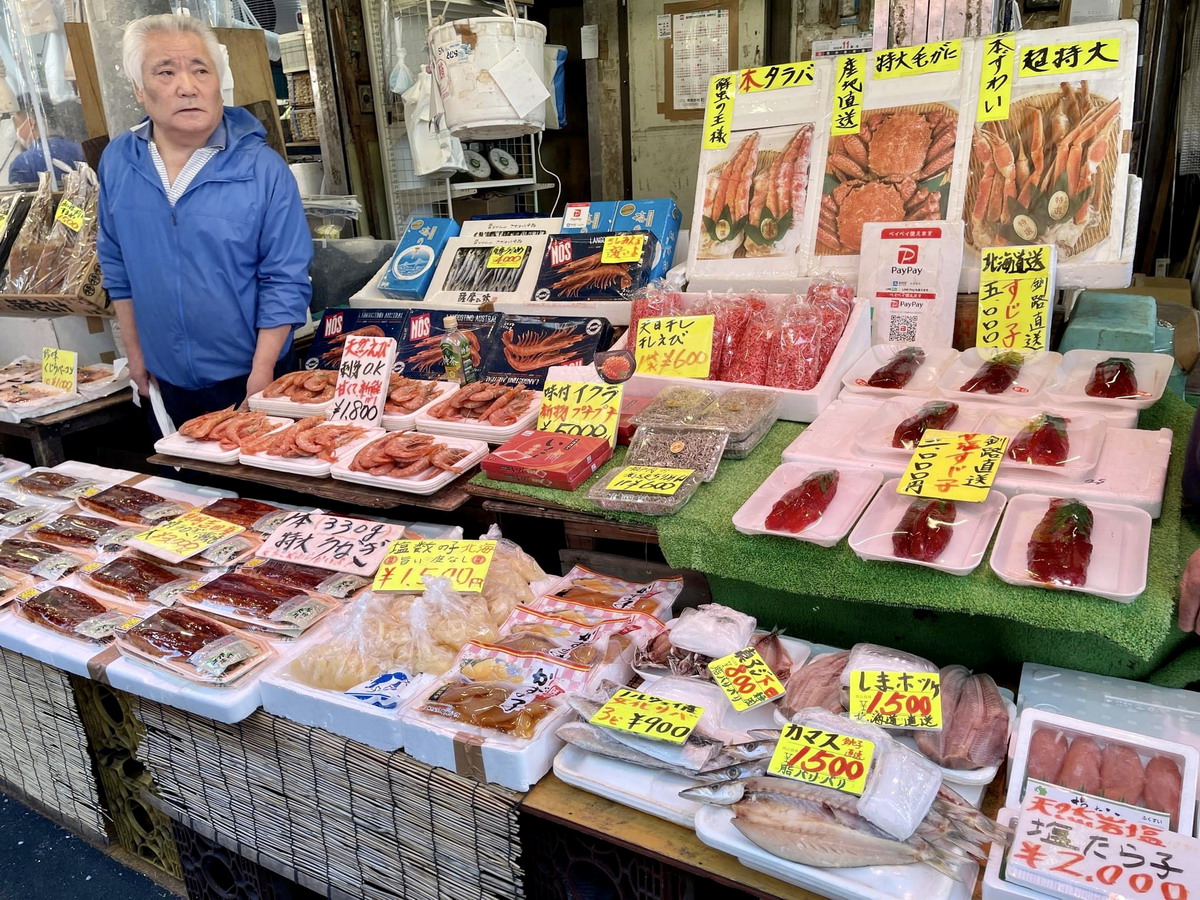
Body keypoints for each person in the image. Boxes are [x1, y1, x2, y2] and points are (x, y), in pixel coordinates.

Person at [96, 13, 311, 433]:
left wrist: (262, 375)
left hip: (250, 375)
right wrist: (136, 355)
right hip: (165, 379)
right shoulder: (119, 161)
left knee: (256, 498)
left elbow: (285, 278)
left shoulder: (264, 170)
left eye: (200, 70)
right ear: (139, 89)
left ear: (218, 82)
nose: (187, 86)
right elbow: (117, 264)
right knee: (187, 496)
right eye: (166, 71)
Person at [7, 96, 85, 184]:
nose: (15, 130)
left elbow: (22, 196)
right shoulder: (80, 150)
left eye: (16, 123)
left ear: (31, 123)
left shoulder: (23, 163)